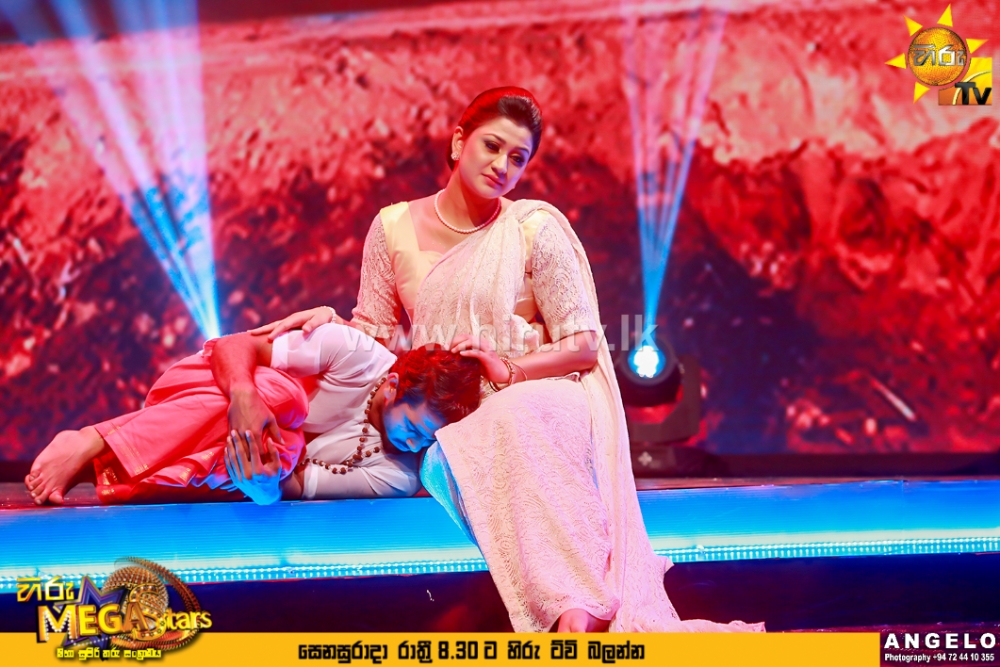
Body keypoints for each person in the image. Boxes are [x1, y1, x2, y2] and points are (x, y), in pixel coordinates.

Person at [256, 88, 764, 632]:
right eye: (492, 147)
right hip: (453, 410)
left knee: (513, 414)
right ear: (459, 142)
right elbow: (376, 339)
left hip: (544, 393)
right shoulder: (392, 228)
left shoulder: (533, 228)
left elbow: (583, 344)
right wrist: (331, 322)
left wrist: (510, 371)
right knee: (462, 437)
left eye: (518, 158)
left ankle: (575, 609)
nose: (502, 166)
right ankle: (568, 604)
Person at [25, 323, 481, 506]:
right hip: (202, 393)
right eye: (414, 427)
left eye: (428, 439)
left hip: (226, 457)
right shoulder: (354, 353)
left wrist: (263, 489)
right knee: (286, 396)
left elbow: (297, 486)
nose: (415, 445)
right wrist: (244, 397)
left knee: (283, 452)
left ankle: (99, 466)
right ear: (394, 386)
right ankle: (94, 438)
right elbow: (232, 346)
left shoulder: (400, 477)